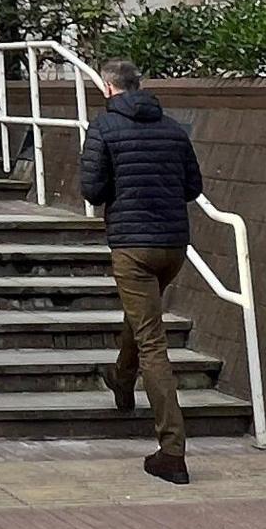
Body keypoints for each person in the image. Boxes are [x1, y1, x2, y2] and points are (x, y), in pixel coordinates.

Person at [77, 60, 204, 484]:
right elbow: (192, 187)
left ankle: (172, 451)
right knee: (143, 318)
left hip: (132, 246)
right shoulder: (171, 127)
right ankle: (121, 377)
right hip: (173, 245)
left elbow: (92, 190)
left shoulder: (104, 128)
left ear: (109, 87)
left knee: (152, 340)